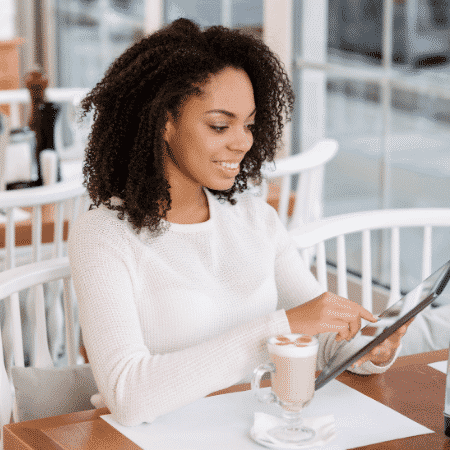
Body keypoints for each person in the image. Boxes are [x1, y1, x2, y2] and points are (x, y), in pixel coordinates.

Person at [68, 18, 412, 427]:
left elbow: (319, 342)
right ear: (164, 121)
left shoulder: (256, 220)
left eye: (248, 124)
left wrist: (366, 349)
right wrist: (280, 326)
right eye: (219, 125)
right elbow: (127, 395)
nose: (243, 141)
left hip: (254, 430)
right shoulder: (104, 235)